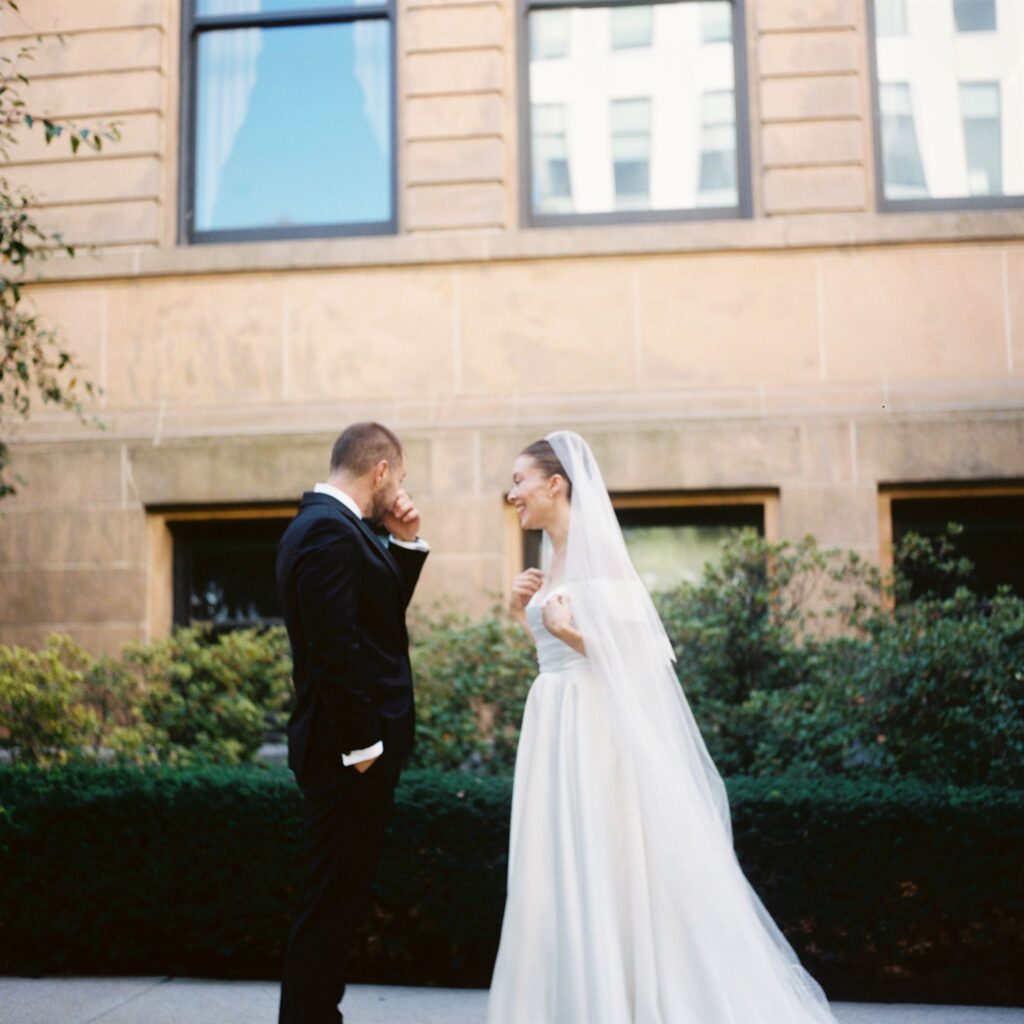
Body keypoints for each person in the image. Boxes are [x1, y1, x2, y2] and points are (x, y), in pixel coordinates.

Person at [487, 430, 838, 1024]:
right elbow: (558, 656)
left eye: (520, 481)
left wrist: (570, 632)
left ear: (556, 484)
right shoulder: (549, 563)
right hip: (554, 725)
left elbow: (645, 659)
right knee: (557, 868)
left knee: (601, 859)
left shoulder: (602, 560)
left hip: (594, 735)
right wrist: (526, 613)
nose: (511, 492)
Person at [276, 422, 429, 1024]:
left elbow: (374, 624)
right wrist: (363, 748)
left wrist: (407, 543)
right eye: (402, 477)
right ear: (382, 472)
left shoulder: (332, 528)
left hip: (349, 754)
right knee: (329, 905)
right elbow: (334, 649)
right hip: (347, 756)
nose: (401, 490)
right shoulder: (325, 532)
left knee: (337, 901)